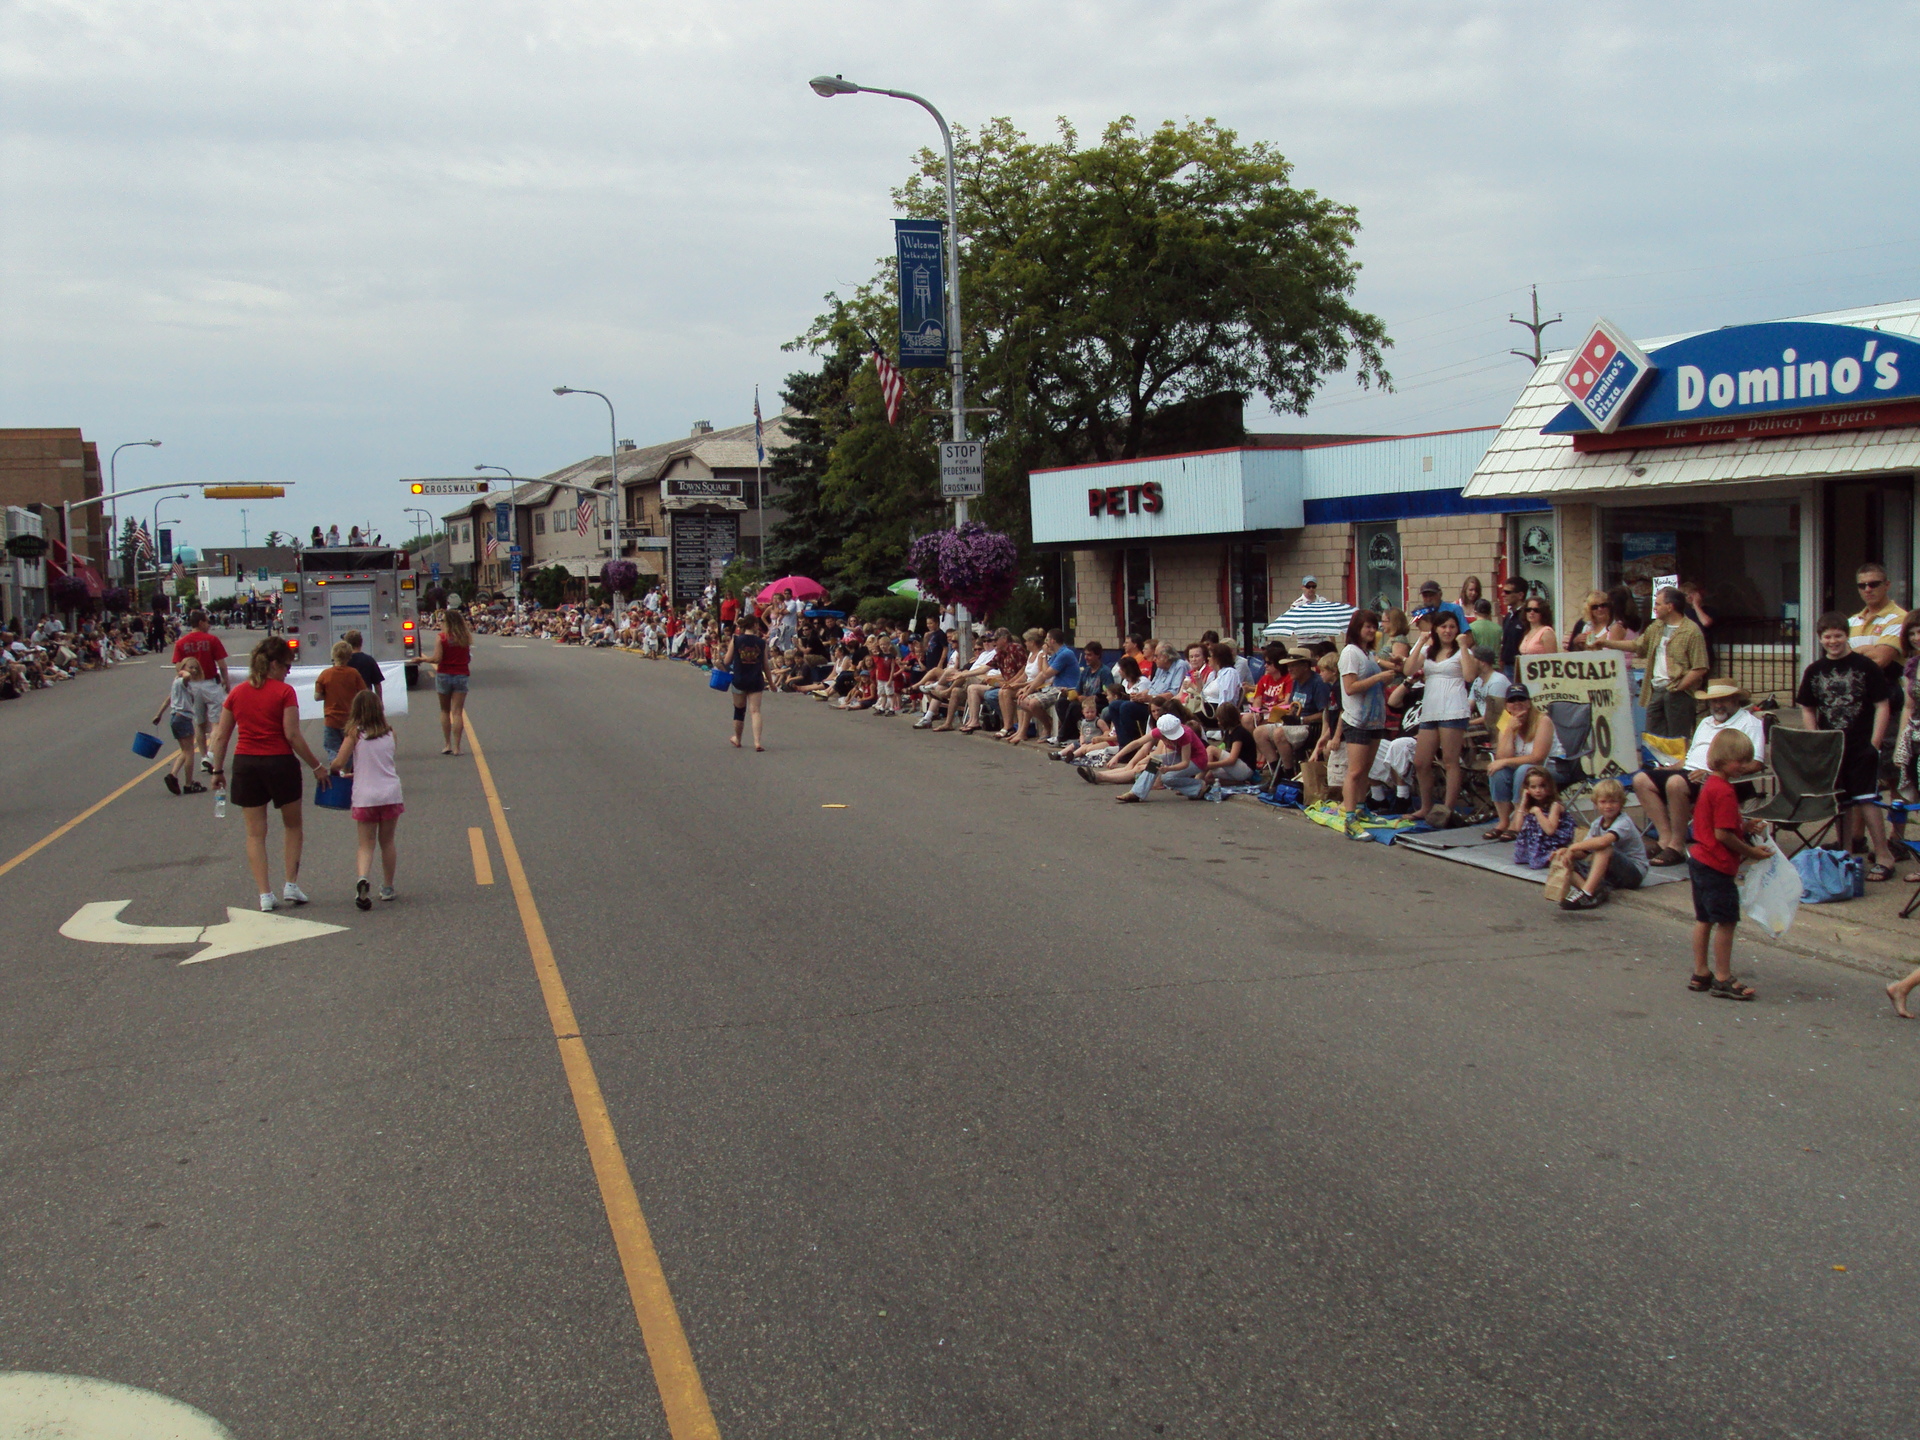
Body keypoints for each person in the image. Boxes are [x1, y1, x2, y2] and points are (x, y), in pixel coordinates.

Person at [207, 636, 330, 912]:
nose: (289, 671)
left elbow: (222, 736)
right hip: (279, 763)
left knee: (255, 833)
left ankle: (264, 894)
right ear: (274, 664)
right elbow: (292, 735)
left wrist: (217, 769)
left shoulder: (237, 693)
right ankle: (290, 883)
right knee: (293, 825)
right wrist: (316, 766)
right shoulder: (284, 693)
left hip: (246, 764)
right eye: (286, 665)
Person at [1798, 611, 1897, 880]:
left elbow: (1882, 705)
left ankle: (1884, 855)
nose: (1833, 641)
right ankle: (1846, 854)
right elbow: (1807, 707)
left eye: (1838, 635)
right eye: (1827, 636)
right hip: (1832, 747)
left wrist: (1874, 744)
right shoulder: (1815, 671)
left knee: (1867, 799)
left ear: (1846, 636)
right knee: (1841, 802)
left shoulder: (1866, 666)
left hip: (1862, 743)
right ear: (1820, 639)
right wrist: (1817, 738)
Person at [1633, 680, 1767, 868]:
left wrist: (1716, 772)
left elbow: (1756, 763)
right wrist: (1668, 768)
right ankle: (1665, 839)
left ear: (1736, 700)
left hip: (1724, 780)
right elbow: (1689, 758)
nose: (1718, 705)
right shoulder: (1705, 722)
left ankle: (1677, 846)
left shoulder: (1749, 723)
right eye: (1713, 701)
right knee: (1641, 779)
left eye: (1723, 700)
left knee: (1675, 783)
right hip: (1689, 773)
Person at [1687, 729, 1767, 1001]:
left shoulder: (1711, 785)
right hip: (1717, 864)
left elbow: (1720, 823)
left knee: (1704, 918)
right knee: (1726, 921)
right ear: (1724, 759)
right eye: (1740, 762)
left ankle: (1700, 972)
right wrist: (1752, 852)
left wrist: (1744, 825)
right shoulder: (1724, 791)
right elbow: (1723, 834)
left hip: (1699, 858)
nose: (1744, 767)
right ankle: (1723, 976)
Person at [330, 687, 403, 908]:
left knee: (366, 844)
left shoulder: (355, 734)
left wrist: (337, 772)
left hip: (365, 795)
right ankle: (388, 887)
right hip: (390, 793)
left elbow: (338, 763)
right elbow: (384, 761)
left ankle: (363, 878)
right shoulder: (390, 732)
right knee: (387, 842)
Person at [1406, 611, 1478, 825]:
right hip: (1431, 709)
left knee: (1450, 760)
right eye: (1443, 626)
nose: (1447, 631)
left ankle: (1447, 808)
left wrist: (1464, 646)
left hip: (1453, 709)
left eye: (1452, 627)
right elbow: (1408, 669)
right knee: (1421, 761)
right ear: (1436, 629)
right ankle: (1426, 806)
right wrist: (1419, 642)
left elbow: (1469, 676)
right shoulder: (1428, 651)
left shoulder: (1461, 653)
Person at [1338, 609, 1399, 829]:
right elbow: (1350, 687)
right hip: (1357, 720)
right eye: (1367, 626)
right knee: (1354, 770)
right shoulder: (1350, 653)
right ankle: (1350, 816)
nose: (1372, 630)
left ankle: (1362, 808)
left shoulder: (1369, 654)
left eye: (1374, 626)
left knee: (1366, 768)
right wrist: (1379, 678)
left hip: (1374, 719)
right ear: (1357, 628)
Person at [1550, 777, 1646, 909]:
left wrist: (1573, 846)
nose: (1608, 806)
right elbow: (1584, 852)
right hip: (1609, 873)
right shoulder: (1597, 824)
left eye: (1613, 802)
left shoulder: (1624, 822)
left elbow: (1603, 842)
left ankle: (1587, 894)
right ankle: (1594, 892)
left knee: (1604, 849)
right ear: (1596, 803)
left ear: (1621, 803)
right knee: (1564, 858)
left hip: (1632, 872)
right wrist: (1566, 851)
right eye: (1603, 802)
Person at [1633, 586, 1710, 740]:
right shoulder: (1657, 627)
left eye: (1658, 604)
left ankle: (1675, 765)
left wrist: (1677, 688)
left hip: (1679, 693)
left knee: (1676, 739)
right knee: (1653, 738)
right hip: (1656, 690)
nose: (1654, 608)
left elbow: (1700, 667)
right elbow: (1637, 645)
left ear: (1670, 607)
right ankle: (1655, 764)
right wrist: (1606, 643)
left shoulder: (1691, 631)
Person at [1483, 683, 1554, 839]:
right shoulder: (1505, 720)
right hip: (1520, 766)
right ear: (1507, 705)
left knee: (1524, 770)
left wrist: (1504, 762)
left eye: (1521, 699)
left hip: (1549, 767)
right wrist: (1509, 730)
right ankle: (1503, 822)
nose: (1517, 703)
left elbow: (1538, 757)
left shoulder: (1542, 721)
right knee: (1497, 771)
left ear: (1529, 702)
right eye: (1512, 700)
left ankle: (1517, 821)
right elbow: (1502, 756)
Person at [1118, 711, 1208, 803]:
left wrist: (1169, 768)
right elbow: (1137, 742)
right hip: (1181, 756)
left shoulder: (1186, 734)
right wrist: (1117, 756)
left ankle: (1198, 786)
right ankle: (1136, 793)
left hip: (1198, 760)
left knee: (1167, 778)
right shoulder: (1159, 731)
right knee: (1155, 761)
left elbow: (1185, 763)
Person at [151, 658, 208, 795]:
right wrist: (183, 672)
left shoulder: (178, 683)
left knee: (184, 750)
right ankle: (188, 784)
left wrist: (158, 715)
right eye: (190, 667)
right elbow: (186, 677)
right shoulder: (182, 681)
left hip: (175, 718)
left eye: (195, 668)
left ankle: (173, 775)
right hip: (183, 718)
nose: (193, 670)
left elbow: (168, 699)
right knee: (189, 752)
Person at [313, 640, 367, 762]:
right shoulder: (354, 673)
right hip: (350, 720)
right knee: (350, 749)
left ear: (333, 655)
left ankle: (337, 771)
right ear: (349, 656)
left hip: (331, 720)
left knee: (333, 749)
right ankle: (349, 772)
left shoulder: (325, 674)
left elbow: (317, 696)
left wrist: (328, 694)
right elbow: (363, 693)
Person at [1511, 767, 1573, 870]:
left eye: (1542, 786)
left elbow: (1550, 830)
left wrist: (1537, 812)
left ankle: (1547, 856)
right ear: (1527, 789)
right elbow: (1518, 827)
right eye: (1533, 787)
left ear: (1549, 787)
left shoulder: (1555, 805)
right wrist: (1523, 803)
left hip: (1554, 841)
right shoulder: (1530, 804)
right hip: (1538, 840)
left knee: (1536, 820)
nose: (1538, 790)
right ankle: (1532, 853)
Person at [432, 604, 473, 756]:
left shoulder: (441, 638)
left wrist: (422, 659)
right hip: (461, 674)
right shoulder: (465, 638)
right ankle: (457, 747)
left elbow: (437, 658)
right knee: (457, 712)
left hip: (444, 674)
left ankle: (447, 744)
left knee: (444, 710)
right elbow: (468, 657)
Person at [724, 615, 768, 750]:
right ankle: (757, 742)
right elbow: (765, 665)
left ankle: (737, 738)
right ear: (755, 625)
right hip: (755, 679)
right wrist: (771, 683)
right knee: (755, 711)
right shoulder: (761, 642)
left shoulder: (736, 640)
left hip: (739, 679)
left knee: (739, 710)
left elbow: (727, 661)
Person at [1498, 576, 1530, 677]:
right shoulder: (1508, 616)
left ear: (1520, 595)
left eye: (1507, 592)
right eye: (1503, 591)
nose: (1503, 595)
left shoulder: (1527, 616)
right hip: (1507, 666)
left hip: (1522, 667)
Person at [342, 628, 383, 699]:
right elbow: (377, 684)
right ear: (361, 642)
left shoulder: (343, 661)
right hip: (366, 699)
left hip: (347, 700)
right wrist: (379, 701)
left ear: (347, 643)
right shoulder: (369, 660)